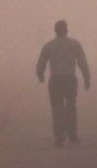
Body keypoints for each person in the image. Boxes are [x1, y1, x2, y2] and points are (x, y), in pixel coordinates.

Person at [35, 19, 90, 147]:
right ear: (66, 30)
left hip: (55, 79)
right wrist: (87, 78)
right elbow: (82, 62)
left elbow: (41, 64)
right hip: (70, 78)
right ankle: (72, 135)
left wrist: (41, 75)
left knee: (57, 108)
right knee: (71, 106)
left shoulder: (49, 45)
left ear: (55, 31)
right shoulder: (74, 44)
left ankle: (59, 137)